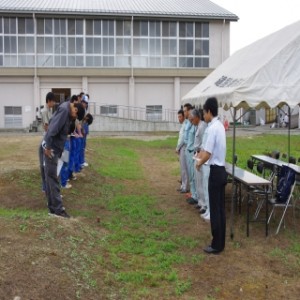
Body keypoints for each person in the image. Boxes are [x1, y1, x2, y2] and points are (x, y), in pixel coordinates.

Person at [43, 100, 85, 218]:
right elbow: (52, 130)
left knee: (50, 178)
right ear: (75, 110)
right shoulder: (65, 110)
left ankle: (52, 208)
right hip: (51, 149)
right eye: (76, 116)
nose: (74, 118)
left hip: (54, 148)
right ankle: (58, 210)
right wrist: (48, 147)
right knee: (52, 178)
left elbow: (54, 125)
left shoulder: (65, 110)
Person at [196, 97, 227, 254]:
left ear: (209, 111)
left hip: (215, 171)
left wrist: (198, 163)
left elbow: (207, 154)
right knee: (220, 209)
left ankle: (216, 244)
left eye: (204, 112)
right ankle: (221, 242)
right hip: (222, 170)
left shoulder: (212, 128)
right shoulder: (220, 126)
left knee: (215, 209)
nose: (203, 115)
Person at [190, 109, 208, 215]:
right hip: (196, 155)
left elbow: (203, 144)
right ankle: (201, 202)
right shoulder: (198, 126)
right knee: (197, 180)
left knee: (201, 181)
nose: (191, 121)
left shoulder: (202, 126)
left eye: (192, 119)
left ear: (197, 117)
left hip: (201, 156)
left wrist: (199, 156)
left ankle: (204, 204)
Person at [38, 92, 56, 192]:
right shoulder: (45, 111)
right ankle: (45, 186)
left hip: (48, 138)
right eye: (53, 101)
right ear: (49, 101)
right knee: (43, 164)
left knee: (46, 164)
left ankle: (46, 185)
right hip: (46, 139)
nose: (54, 103)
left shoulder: (50, 111)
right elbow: (46, 127)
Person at [185, 108, 197, 205]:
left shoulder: (197, 127)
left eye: (191, 118)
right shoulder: (191, 125)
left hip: (193, 152)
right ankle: (193, 194)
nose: (189, 119)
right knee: (191, 174)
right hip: (189, 151)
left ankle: (195, 195)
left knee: (193, 176)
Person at [175, 109, 189, 193]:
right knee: (182, 168)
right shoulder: (183, 125)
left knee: (184, 168)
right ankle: (183, 185)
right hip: (181, 148)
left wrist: (177, 148)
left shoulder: (186, 125)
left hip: (183, 148)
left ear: (184, 117)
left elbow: (183, 139)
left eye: (180, 116)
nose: (179, 118)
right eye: (178, 117)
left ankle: (185, 186)